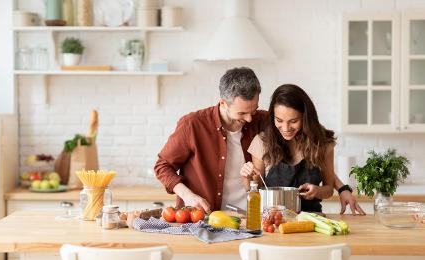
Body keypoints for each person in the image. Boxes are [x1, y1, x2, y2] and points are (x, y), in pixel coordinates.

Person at [155, 67, 365, 215]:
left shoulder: (266, 120)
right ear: (223, 103)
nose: (249, 118)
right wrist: (189, 196)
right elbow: (163, 166)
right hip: (209, 214)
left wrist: (342, 188)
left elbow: (312, 151)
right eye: (242, 113)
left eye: (253, 109)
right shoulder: (193, 125)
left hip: (251, 216)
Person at [240, 84, 365, 214]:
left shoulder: (322, 144)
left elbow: (328, 189)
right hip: (274, 221)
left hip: (312, 220)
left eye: (293, 121)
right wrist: (246, 177)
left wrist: (317, 191)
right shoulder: (262, 142)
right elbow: (256, 187)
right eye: (279, 120)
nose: (286, 128)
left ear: (305, 117)